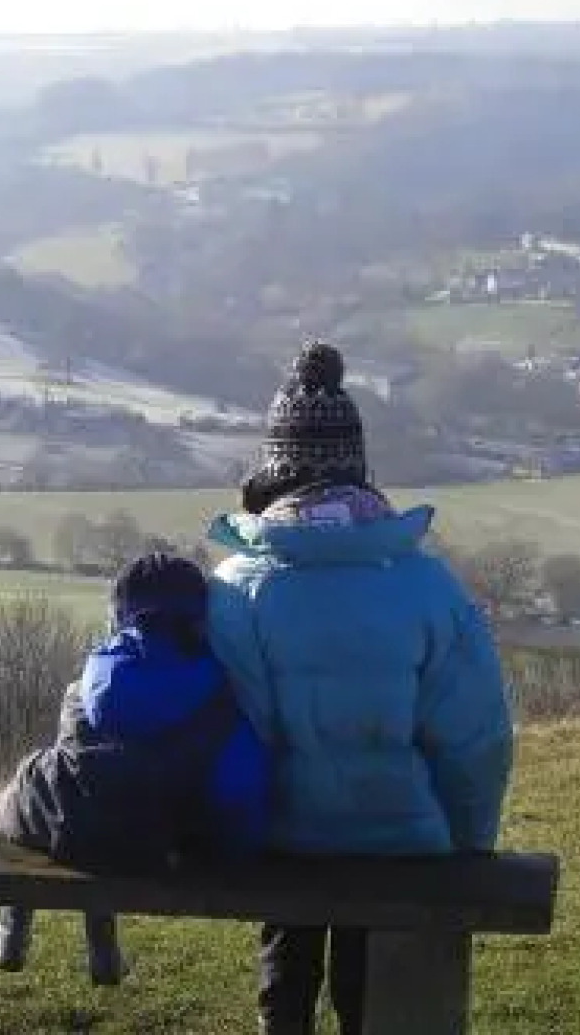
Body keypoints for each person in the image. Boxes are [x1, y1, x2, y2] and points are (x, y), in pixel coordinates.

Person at [205, 341, 514, 1035]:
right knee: (369, 994)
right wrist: (466, 844)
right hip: (401, 843)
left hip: (281, 840)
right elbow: (478, 739)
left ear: (271, 475)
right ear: (359, 471)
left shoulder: (236, 589)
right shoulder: (429, 588)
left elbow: (230, 730)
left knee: (285, 979)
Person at [0, 551, 270, 985]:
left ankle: (13, 919)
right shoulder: (219, 693)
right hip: (162, 842)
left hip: (71, 827)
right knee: (114, 808)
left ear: (120, 615)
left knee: (20, 796)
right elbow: (240, 794)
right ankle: (100, 948)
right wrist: (228, 850)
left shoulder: (88, 682)